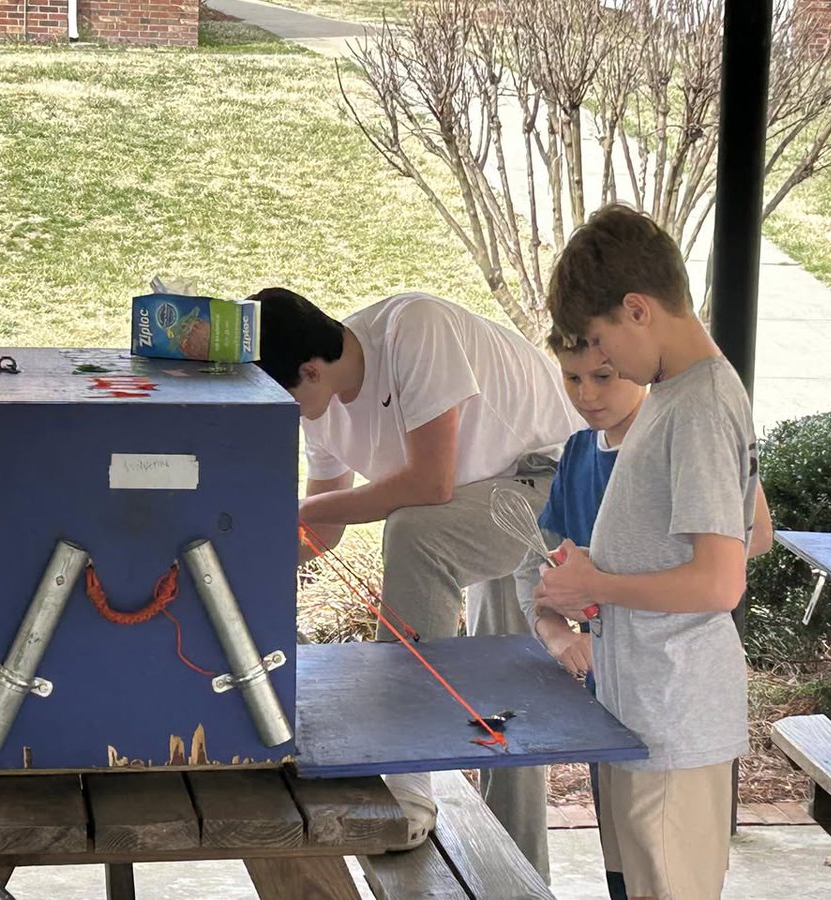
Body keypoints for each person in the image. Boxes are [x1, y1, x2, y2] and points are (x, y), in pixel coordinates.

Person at [251, 287, 583, 880]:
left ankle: (407, 777)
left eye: (283, 396)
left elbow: (429, 482)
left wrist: (295, 514)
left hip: (549, 472)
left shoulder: (413, 327)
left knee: (416, 535)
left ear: (308, 369)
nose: (286, 412)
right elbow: (322, 527)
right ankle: (521, 878)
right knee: (506, 698)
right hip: (479, 492)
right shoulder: (320, 400)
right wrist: (243, 559)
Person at [532, 203, 764, 900]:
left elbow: (720, 582)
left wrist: (594, 584)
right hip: (642, 705)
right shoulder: (673, 392)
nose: (601, 362)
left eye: (602, 342)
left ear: (638, 310)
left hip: (676, 713)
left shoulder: (697, 406)